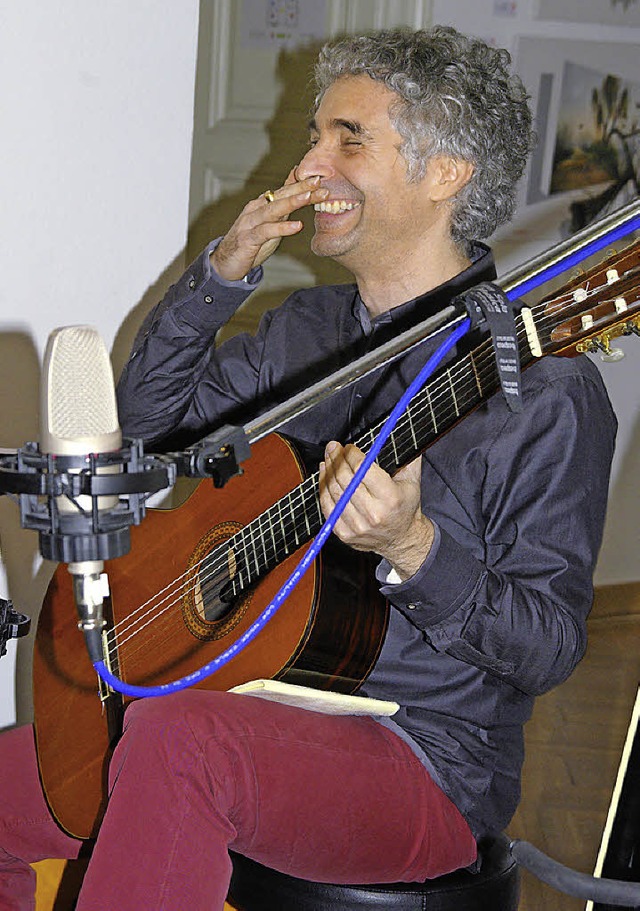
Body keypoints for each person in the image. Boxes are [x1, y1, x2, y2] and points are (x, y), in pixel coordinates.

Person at [0, 25, 617, 910]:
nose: (309, 164)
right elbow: (140, 433)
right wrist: (219, 277)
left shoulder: (548, 389)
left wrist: (414, 547)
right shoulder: (304, 329)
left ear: (445, 174)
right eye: (313, 136)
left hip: (426, 755)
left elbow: (549, 647)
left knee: (179, 742)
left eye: (347, 139)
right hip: (242, 687)